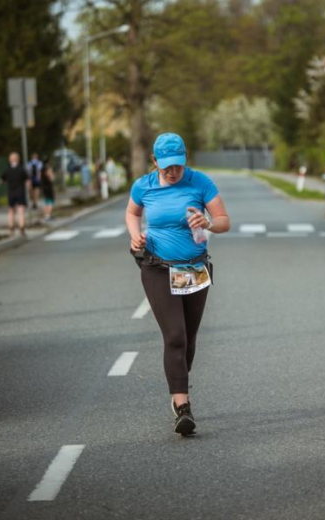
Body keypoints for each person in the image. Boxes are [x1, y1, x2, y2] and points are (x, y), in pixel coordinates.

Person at [124, 132, 230, 436]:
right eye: (167, 166)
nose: (173, 172)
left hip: (195, 270)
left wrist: (208, 223)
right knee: (175, 336)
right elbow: (132, 213)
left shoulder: (200, 182)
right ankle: (183, 406)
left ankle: (177, 384)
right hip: (157, 268)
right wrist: (136, 234)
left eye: (178, 165)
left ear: (186, 160)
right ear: (155, 162)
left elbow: (224, 220)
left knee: (190, 340)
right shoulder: (143, 185)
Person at [1, 151, 30, 235]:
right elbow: (28, 181)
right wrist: (29, 190)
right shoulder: (22, 169)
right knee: (20, 210)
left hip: (11, 192)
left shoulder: (7, 169)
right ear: (18, 159)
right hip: (20, 192)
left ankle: (11, 228)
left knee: (11, 211)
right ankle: (21, 227)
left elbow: (2, 179)